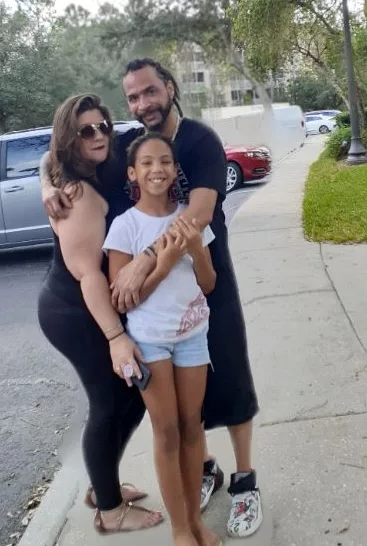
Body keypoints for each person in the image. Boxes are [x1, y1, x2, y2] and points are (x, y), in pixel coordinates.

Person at [41, 60, 263, 539]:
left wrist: (147, 264)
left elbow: (197, 215)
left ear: (170, 88)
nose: (143, 104)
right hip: (125, 309)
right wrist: (46, 182)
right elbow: (63, 148)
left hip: (196, 283)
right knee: (151, 412)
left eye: (150, 92)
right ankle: (172, 485)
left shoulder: (199, 140)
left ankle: (244, 479)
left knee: (228, 378)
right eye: (134, 97)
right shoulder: (122, 146)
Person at [37, 93, 164, 535]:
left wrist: (43, 181)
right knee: (109, 403)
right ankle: (109, 511)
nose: (98, 135)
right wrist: (116, 337)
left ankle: (102, 486)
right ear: (70, 139)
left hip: (90, 308)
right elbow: (89, 276)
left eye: (102, 126)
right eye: (85, 131)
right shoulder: (78, 195)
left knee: (130, 400)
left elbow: (46, 156)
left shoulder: (105, 157)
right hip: (75, 313)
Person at [104, 132, 221, 546]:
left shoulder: (189, 219)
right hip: (150, 344)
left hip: (193, 336)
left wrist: (197, 251)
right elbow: (124, 298)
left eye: (166, 162)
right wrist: (167, 257)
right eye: (148, 163)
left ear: (175, 171)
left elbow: (208, 284)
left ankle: (194, 519)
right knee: (167, 431)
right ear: (133, 173)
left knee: (193, 428)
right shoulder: (125, 227)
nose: (158, 169)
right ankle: (177, 529)